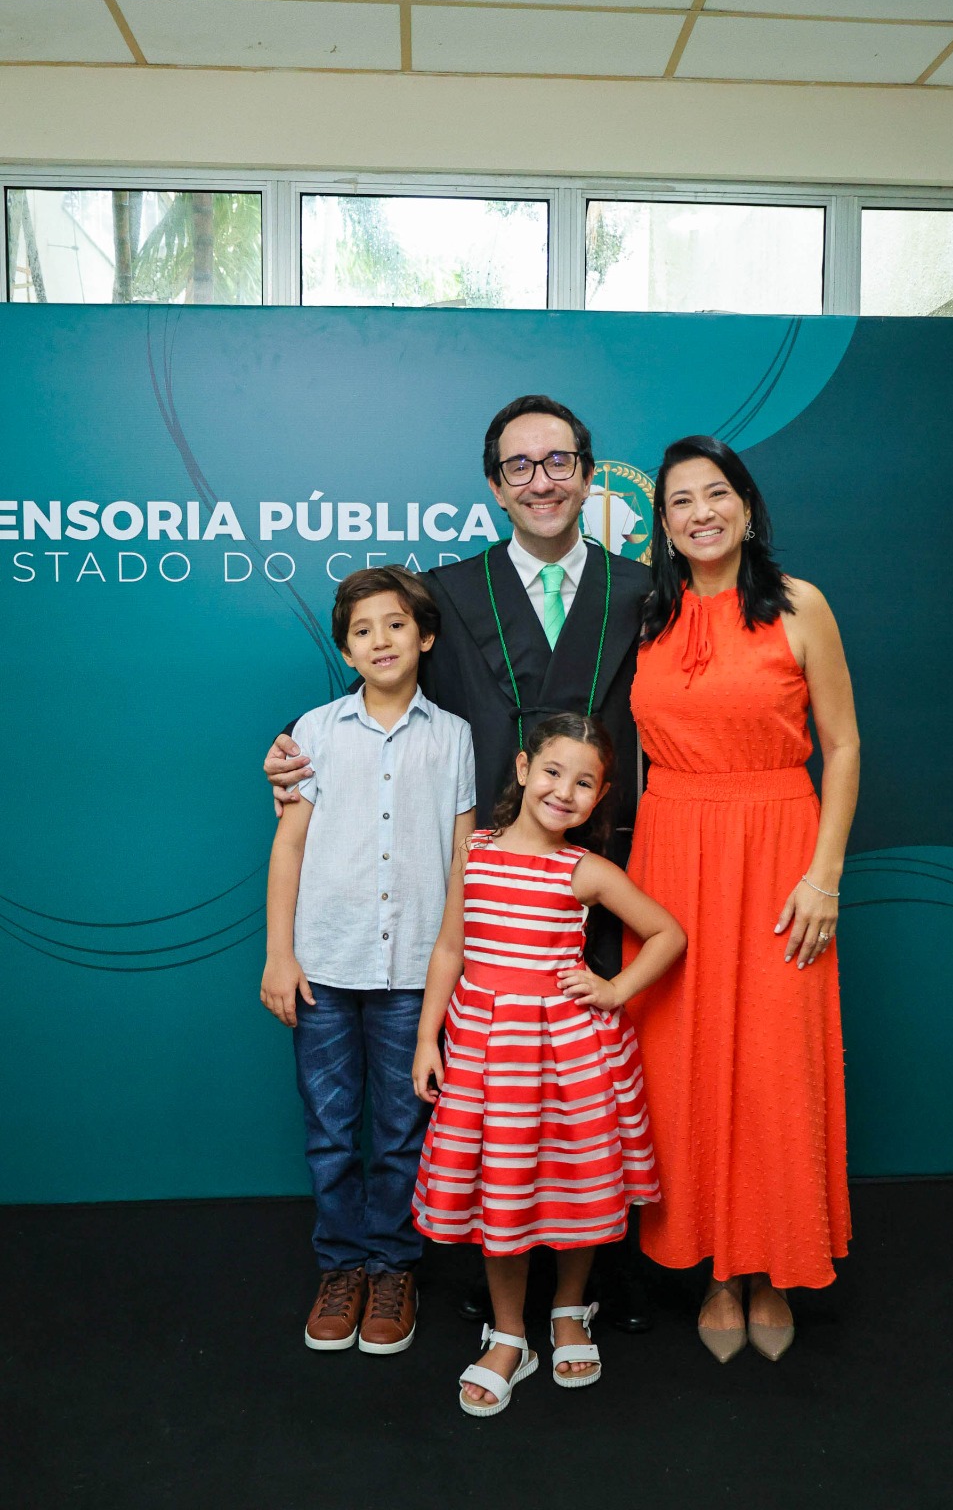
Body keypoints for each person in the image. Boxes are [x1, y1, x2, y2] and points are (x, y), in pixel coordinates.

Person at [263, 395, 655, 1329]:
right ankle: (485, 1272)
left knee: (584, 1087)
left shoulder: (646, 590)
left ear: (588, 474)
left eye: (558, 461)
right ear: (494, 486)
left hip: (601, 868)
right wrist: (290, 757)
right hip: (481, 885)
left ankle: (584, 1280)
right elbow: (378, 704)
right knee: (487, 1089)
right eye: (520, 466)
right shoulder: (446, 589)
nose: (541, 480)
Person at [623, 436, 859, 1363]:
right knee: (682, 1059)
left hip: (778, 852)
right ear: (664, 524)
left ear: (748, 507)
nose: (701, 513)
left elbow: (842, 746)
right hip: (673, 854)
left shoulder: (801, 605)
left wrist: (824, 875)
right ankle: (715, 1268)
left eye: (716, 493)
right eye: (680, 501)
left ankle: (772, 1264)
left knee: (773, 1058)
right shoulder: (648, 616)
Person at [410, 714, 685, 1416]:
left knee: (575, 1180)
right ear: (524, 768)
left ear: (601, 797)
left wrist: (615, 989)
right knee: (499, 1188)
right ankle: (509, 1333)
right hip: (486, 1055)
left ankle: (568, 1309)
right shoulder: (474, 851)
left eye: (584, 782)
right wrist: (427, 1039)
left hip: (568, 1058)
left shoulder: (584, 870)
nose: (565, 791)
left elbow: (667, 933)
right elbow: (449, 948)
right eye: (554, 772)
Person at [260, 566, 475, 1356]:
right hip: (323, 966)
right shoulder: (315, 733)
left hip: (411, 973)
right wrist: (279, 955)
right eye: (361, 631)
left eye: (395, 624)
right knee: (329, 1129)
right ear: (346, 651)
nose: (380, 640)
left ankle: (392, 1268)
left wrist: (450, 967)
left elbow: (462, 861)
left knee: (399, 1132)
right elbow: (288, 846)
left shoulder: (455, 738)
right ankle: (341, 1266)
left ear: (425, 636)